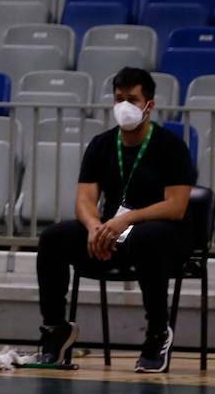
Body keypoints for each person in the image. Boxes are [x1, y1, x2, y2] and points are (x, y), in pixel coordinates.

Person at [34, 67, 195, 374]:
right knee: (54, 237)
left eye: (132, 99)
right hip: (113, 232)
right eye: (119, 99)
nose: (125, 106)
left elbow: (176, 206)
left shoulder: (171, 147)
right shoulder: (102, 145)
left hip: (164, 234)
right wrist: (95, 227)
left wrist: (129, 219)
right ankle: (56, 329)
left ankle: (158, 332)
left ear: (149, 104)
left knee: (146, 237)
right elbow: (84, 199)